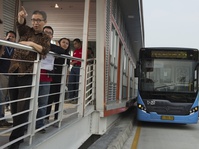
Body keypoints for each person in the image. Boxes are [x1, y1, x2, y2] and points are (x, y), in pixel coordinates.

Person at [8, 6, 51, 149]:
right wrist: (21, 16)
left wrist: (29, 43)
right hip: (14, 69)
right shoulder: (26, 30)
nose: (35, 23)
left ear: (45, 22)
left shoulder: (45, 37)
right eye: (33, 20)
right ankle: (18, 134)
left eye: (38, 20)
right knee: (13, 106)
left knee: (22, 107)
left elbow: (44, 50)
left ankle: (14, 141)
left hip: (27, 73)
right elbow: (20, 24)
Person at [36, 26, 66, 132]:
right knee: (28, 103)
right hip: (32, 77)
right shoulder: (35, 43)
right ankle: (25, 125)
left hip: (46, 78)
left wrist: (46, 48)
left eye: (49, 33)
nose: (47, 34)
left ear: (52, 36)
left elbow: (64, 52)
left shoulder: (53, 47)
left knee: (43, 103)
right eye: (45, 32)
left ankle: (39, 124)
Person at [45, 37, 70, 124]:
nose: (65, 44)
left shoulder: (67, 55)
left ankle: (57, 118)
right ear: (59, 43)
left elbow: (67, 69)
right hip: (52, 79)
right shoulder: (54, 51)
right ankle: (46, 118)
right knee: (49, 100)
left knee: (58, 101)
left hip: (61, 80)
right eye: (63, 42)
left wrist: (66, 82)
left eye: (67, 43)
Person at [0, 31, 16, 127]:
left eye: (13, 37)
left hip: (13, 75)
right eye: (9, 36)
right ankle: (1, 118)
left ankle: (13, 118)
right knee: (2, 98)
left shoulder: (17, 49)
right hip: (2, 74)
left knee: (10, 98)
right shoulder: (2, 47)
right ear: (6, 37)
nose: (11, 38)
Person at [68, 38, 82, 103]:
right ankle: (70, 97)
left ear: (79, 43)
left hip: (79, 68)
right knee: (71, 82)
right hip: (73, 68)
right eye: (73, 44)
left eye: (75, 43)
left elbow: (83, 59)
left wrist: (75, 62)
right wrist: (72, 62)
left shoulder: (83, 50)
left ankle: (76, 98)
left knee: (77, 83)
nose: (74, 45)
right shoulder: (75, 51)